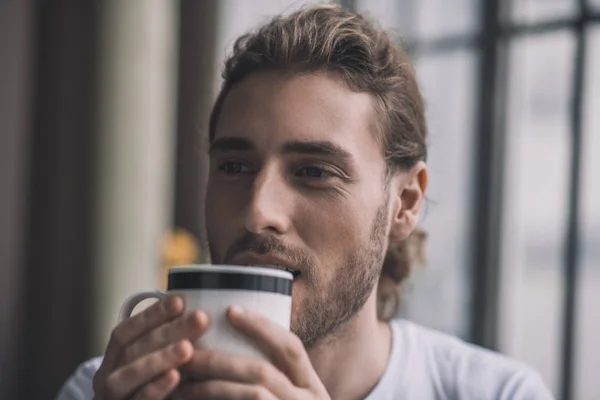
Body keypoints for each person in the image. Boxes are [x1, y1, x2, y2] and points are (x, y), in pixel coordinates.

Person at [57, 4, 553, 400]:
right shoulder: (103, 390)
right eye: (234, 166)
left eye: (314, 172)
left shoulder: (498, 392)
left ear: (405, 203)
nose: (258, 212)